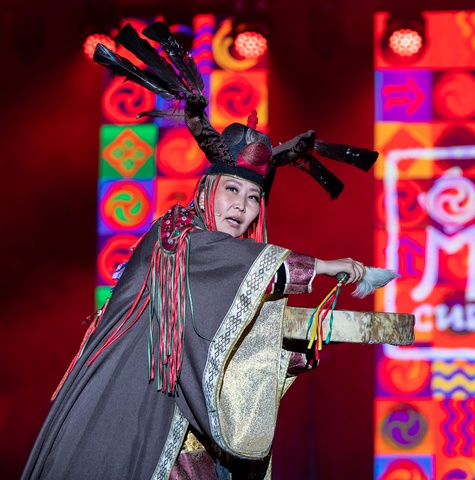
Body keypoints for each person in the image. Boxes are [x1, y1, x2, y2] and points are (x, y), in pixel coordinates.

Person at [22, 22, 374, 480]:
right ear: (207, 190)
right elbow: (225, 265)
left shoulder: (228, 270)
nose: (242, 207)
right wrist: (327, 265)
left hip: (190, 435)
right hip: (136, 409)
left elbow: (225, 351)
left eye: (254, 198)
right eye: (232, 190)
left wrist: (296, 351)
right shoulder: (177, 235)